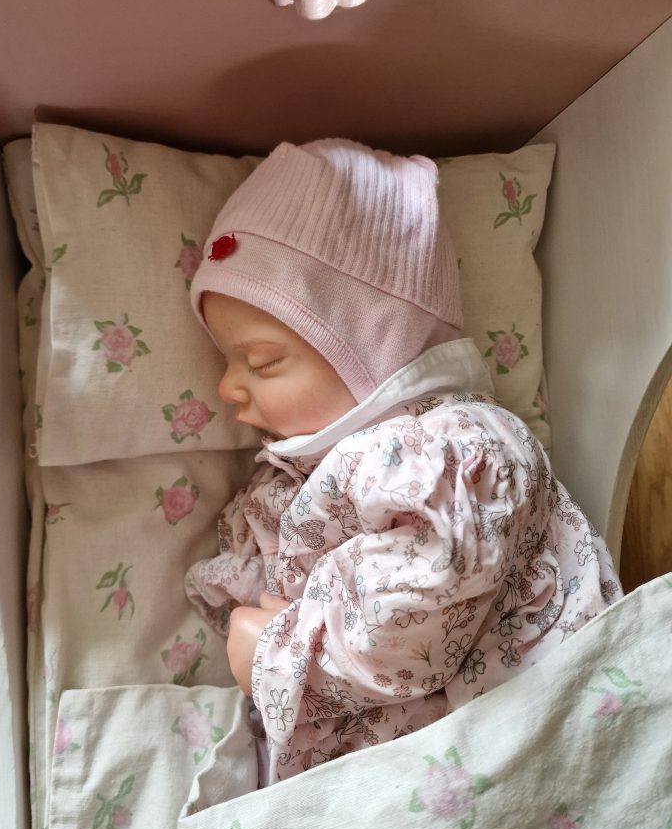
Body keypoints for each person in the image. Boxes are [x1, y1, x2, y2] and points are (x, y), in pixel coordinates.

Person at [184, 139, 621, 785]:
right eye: (226, 360)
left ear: (374, 347)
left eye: (262, 361)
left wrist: (280, 658)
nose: (227, 388)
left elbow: (414, 624)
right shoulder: (297, 476)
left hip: (480, 761)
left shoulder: (453, 453)